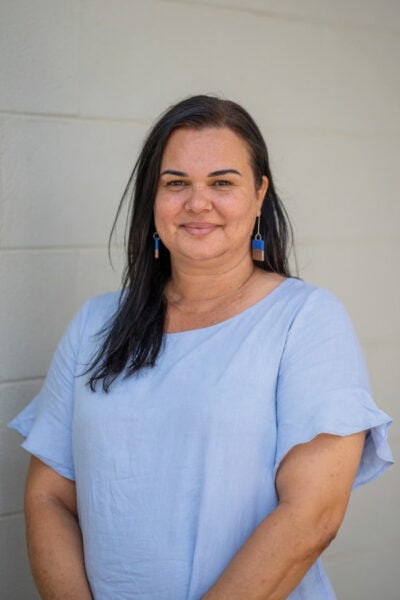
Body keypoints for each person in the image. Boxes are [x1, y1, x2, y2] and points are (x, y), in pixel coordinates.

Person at [9, 95, 393, 600]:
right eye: (176, 183)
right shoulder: (96, 324)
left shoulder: (306, 319)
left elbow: (312, 516)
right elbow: (50, 495)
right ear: (153, 198)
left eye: (222, 182)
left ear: (259, 196)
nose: (197, 202)